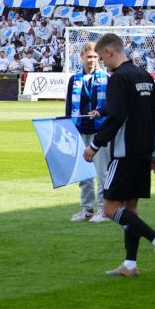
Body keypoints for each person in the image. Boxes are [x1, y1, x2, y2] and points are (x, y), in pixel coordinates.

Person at [83, 33, 155, 277]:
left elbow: (117, 117)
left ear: (110, 53)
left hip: (125, 154)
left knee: (110, 209)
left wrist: (95, 145)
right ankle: (130, 265)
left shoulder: (118, 79)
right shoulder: (144, 76)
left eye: (102, 58)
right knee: (130, 209)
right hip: (144, 153)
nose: (103, 63)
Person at [65, 42, 110, 223]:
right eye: (88, 56)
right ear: (81, 57)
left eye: (94, 57)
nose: (91, 60)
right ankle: (87, 209)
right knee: (84, 173)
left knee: (102, 172)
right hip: (79, 128)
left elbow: (111, 104)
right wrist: (68, 128)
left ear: (98, 58)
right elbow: (69, 105)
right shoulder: (74, 79)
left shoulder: (107, 78)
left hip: (100, 130)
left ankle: (104, 210)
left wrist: (101, 111)